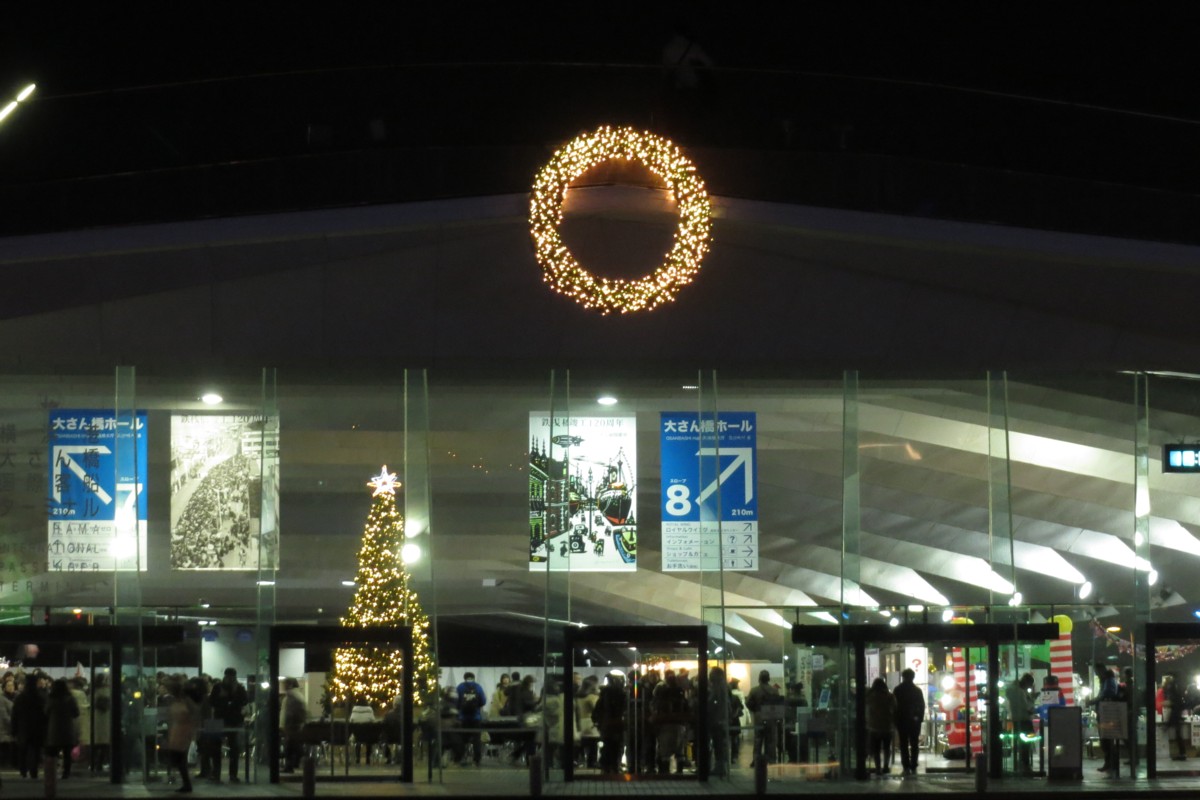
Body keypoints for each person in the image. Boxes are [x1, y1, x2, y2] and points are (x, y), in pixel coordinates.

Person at [208, 667, 248, 783]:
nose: (230, 679)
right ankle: (229, 775)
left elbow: (212, 702)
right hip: (230, 719)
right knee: (229, 749)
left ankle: (218, 774)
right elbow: (244, 701)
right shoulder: (238, 688)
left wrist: (224, 699)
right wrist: (229, 700)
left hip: (219, 719)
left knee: (221, 749)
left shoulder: (220, 687)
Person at [164, 676, 199, 793]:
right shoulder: (176, 700)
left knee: (179, 757)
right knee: (178, 757)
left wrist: (192, 730)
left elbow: (194, 715)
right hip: (177, 729)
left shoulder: (185, 701)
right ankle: (186, 783)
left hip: (183, 730)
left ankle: (186, 783)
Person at [12, 671, 47, 779]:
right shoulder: (40, 697)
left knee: (23, 750)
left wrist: (14, 729)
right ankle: (34, 770)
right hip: (37, 728)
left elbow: (15, 715)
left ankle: (23, 770)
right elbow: (44, 715)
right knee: (35, 750)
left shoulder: (20, 698)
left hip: (23, 728)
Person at [44, 678, 80, 780]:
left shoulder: (51, 699)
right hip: (68, 729)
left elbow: (46, 713)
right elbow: (76, 713)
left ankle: (52, 773)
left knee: (52, 753)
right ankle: (66, 773)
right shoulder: (70, 699)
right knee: (67, 754)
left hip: (54, 729)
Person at [592, 672, 626, 775]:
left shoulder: (604, 695)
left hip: (606, 724)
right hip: (618, 723)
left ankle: (606, 766)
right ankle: (615, 766)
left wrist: (597, 721)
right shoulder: (622, 695)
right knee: (617, 745)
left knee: (607, 745)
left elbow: (597, 711)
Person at [893, 668, 924, 776]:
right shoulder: (917, 690)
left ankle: (905, 764)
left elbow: (894, 706)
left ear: (903, 677)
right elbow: (921, 706)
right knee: (914, 743)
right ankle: (914, 763)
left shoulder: (897, 690)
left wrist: (895, 719)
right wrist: (919, 719)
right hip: (914, 721)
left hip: (901, 720)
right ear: (913, 677)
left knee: (903, 743)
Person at [746, 669, 780, 767]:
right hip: (771, 716)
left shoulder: (754, 690)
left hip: (759, 715)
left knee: (758, 740)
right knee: (770, 740)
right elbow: (777, 704)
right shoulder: (774, 690)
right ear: (768, 679)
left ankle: (756, 761)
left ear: (759, 678)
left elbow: (748, 703)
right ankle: (771, 760)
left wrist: (755, 710)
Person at [454, 672, 486, 767]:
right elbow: (483, 701)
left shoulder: (460, 687)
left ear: (464, 678)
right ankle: (477, 760)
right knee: (476, 739)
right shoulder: (478, 687)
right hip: (475, 717)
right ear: (473, 678)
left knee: (462, 739)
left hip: (463, 718)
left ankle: (461, 758)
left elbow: (456, 701)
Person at [865, 677, 896, 776]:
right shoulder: (890, 696)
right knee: (887, 748)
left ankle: (878, 768)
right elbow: (895, 708)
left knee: (876, 749)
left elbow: (866, 708)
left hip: (873, 726)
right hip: (887, 726)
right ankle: (886, 766)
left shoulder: (870, 696)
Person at [1094, 663, 1121, 773]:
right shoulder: (1107, 680)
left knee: (1106, 740)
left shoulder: (1108, 681)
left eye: (1097, 672)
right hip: (1104, 712)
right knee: (1106, 740)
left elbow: (1106, 694)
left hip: (1106, 713)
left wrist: (1094, 700)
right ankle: (1110, 763)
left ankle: (1110, 763)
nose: (1096, 674)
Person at [1006, 673, 1036, 773]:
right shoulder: (1020, 692)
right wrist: (1032, 700)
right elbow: (1027, 707)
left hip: (1015, 719)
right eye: (1030, 684)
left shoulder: (1011, 689)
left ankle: (1021, 763)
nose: (1030, 687)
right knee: (1026, 743)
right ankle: (1025, 764)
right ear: (1026, 682)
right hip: (1025, 720)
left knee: (1021, 742)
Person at [706, 666, 730, 778]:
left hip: (717, 720)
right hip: (719, 720)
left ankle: (719, 767)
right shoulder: (722, 686)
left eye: (712, 673)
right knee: (719, 745)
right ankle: (720, 767)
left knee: (718, 744)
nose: (709, 676)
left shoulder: (718, 688)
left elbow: (715, 703)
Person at [281, 677, 306, 773]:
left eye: (285, 684)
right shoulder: (297, 695)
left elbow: (289, 713)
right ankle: (291, 765)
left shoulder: (292, 697)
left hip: (292, 726)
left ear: (290, 685)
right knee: (292, 746)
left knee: (290, 747)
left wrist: (285, 724)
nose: (283, 686)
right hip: (294, 726)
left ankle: (290, 766)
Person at [575, 675, 601, 769]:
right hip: (590, 723)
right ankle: (592, 763)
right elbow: (597, 709)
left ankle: (577, 761)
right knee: (593, 745)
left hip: (580, 723)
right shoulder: (592, 697)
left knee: (581, 744)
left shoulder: (578, 697)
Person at [1163, 672, 1186, 761]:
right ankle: (1182, 753)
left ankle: (1182, 754)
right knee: (1178, 734)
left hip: (1175, 712)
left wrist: (1167, 724)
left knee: (1178, 734)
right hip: (1177, 712)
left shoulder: (1173, 687)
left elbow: (1174, 707)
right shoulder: (1178, 686)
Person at [728, 677, 746, 765]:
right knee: (735, 740)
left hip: (727, 720)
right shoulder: (736, 697)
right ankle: (734, 757)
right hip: (735, 720)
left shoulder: (724, 697)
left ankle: (727, 757)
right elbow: (741, 707)